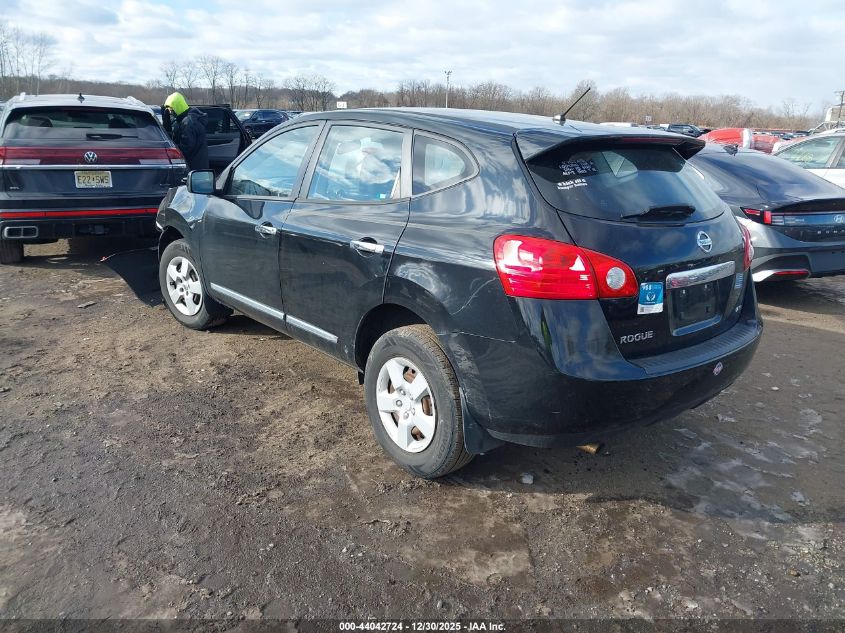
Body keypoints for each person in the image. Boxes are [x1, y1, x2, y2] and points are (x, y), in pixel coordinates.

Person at [163, 92, 209, 171]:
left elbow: (185, 149)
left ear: (177, 106)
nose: (170, 112)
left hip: (194, 167)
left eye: (171, 109)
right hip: (196, 165)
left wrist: (171, 153)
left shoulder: (189, 123)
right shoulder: (183, 120)